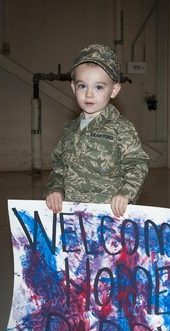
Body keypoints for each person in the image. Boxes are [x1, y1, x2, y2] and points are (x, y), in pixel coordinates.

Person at [45, 44, 149, 217]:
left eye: (99, 87)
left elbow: (137, 165)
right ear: (73, 88)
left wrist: (125, 193)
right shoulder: (69, 130)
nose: (89, 95)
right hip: (72, 216)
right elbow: (59, 168)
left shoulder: (121, 129)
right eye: (82, 86)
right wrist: (55, 189)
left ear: (114, 90)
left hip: (107, 218)